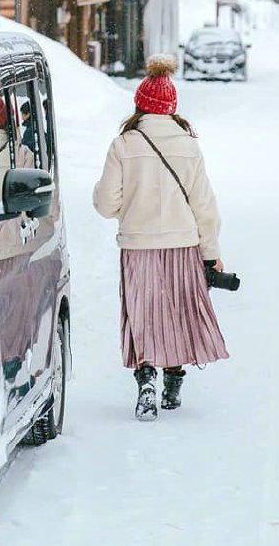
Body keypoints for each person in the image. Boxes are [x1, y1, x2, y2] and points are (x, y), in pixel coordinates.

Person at [93, 55, 228, 421]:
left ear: (139, 103)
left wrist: (130, 210)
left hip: (138, 245)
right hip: (182, 244)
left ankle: (146, 377)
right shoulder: (188, 144)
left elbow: (106, 204)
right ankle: (173, 381)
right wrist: (211, 252)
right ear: (171, 107)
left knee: (144, 311)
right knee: (178, 311)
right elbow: (204, 205)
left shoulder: (123, 144)